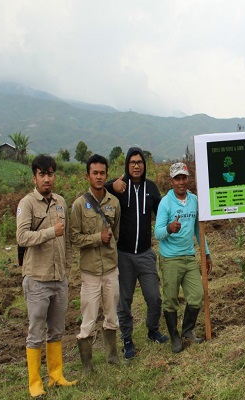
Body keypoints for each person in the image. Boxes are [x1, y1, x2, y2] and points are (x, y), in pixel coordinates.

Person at [16, 154, 77, 397]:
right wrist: (51, 232)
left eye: (50, 174)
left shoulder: (61, 202)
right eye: (42, 174)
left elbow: (68, 239)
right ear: (35, 177)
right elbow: (22, 237)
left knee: (57, 329)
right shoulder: (27, 203)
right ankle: (34, 383)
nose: (47, 179)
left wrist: (67, 266)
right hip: (37, 278)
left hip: (59, 277)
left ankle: (56, 375)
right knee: (36, 331)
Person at [105, 147, 168, 360]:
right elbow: (97, 191)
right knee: (124, 301)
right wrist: (111, 186)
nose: (136, 165)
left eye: (139, 162)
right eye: (132, 162)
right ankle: (127, 339)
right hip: (123, 255)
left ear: (144, 165)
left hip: (145, 253)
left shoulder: (151, 188)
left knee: (154, 297)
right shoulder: (119, 186)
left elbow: (161, 212)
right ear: (127, 165)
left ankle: (152, 329)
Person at [154, 162, 213, 353]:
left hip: (189, 256)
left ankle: (187, 331)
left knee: (197, 296)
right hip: (170, 258)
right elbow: (157, 233)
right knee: (170, 299)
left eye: (184, 178)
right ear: (171, 181)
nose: (181, 182)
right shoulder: (165, 202)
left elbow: (198, 229)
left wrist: (206, 253)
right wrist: (169, 229)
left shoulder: (194, 200)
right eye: (177, 179)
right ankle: (175, 338)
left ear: (188, 179)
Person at [70, 154, 121, 373]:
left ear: (106, 175)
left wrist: (106, 239)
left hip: (110, 269)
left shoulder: (114, 203)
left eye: (102, 173)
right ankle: (87, 365)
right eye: (95, 173)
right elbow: (74, 238)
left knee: (111, 316)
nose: (99, 177)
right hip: (90, 272)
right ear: (87, 175)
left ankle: (112, 357)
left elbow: (116, 233)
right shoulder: (79, 205)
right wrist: (96, 238)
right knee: (88, 320)